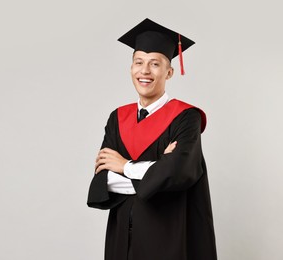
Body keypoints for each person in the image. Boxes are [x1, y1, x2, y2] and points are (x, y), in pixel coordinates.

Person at [87, 18, 217, 260]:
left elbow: (178, 173)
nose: (144, 71)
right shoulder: (117, 117)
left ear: (169, 72)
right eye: (139, 63)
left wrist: (124, 166)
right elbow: (103, 180)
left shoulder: (186, 117)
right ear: (131, 68)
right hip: (122, 239)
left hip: (167, 235)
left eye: (154, 64)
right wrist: (157, 171)